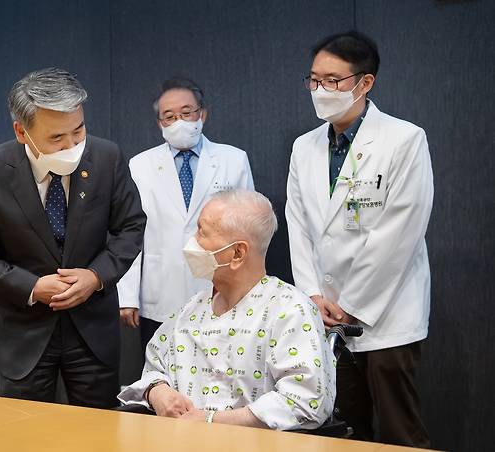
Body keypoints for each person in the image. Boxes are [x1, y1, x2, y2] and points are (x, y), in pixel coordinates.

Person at [0, 67, 146, 408]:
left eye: (79, 130)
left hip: (93, 330)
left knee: (98, 432)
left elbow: (130, 227)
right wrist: (30, 287)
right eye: (56, 138)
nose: (72, 145)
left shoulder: (106, 157)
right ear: (21, 131)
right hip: (23, 333)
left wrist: (96, 276)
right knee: (24, 433)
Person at [285, 31, 433, 447]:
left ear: (364, 83)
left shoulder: (404, 140)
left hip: (386, 313)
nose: (321, 90)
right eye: (314, 80)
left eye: (333, 80)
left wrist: (353, 306)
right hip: (326, 313)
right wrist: (312, 294)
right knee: (344, 431)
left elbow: (399, 234)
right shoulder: (304, 147)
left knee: (400, 429)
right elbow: (297, 225)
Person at [118, 190, 335, 430]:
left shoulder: (290, 311)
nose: (192, 241)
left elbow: (306, 401)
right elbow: (154, 367)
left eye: (201, 232)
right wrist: (157, 392)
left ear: (237, 253)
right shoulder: (191, 310)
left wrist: (211, 421)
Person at [117, 77, 254, 351]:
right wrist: (127, 296)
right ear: (160, 123)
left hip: (218, 285)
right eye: (169, 116)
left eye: (187, 112)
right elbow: (129, 232)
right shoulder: (140, 165)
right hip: (160, 289)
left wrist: (247, 289)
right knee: (161, 371)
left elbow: (249, 230)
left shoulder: (233, 159)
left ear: (202, 114)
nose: (179, 121)